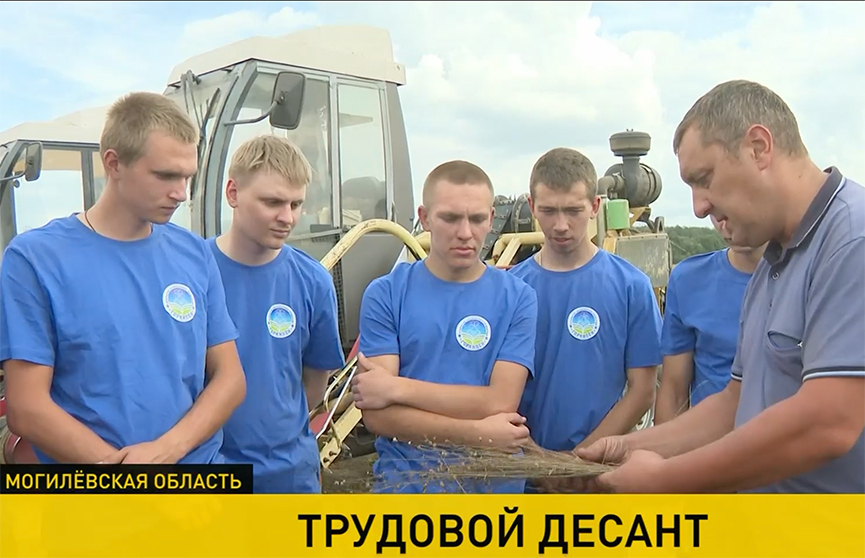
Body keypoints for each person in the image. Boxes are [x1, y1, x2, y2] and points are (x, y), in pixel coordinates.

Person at [577, 79, 865, 494]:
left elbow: (830, 422)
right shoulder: (773, 265)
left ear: (759, 148)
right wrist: (628, 447)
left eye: (704, 178)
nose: (699, 208)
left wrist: (664, 480)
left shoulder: (851, 241)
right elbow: (736, 403)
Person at [0, 91, 246, 464]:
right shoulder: (34, 260)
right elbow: (27, 407)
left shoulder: (195, 254)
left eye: (187, 177)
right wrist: (129, 476)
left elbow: (230, 378)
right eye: (165, 175)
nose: (181, 193)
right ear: (113, 163)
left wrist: (168, 450)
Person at [349, 160, 539, 494]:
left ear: (491, 219)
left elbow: (500, 402)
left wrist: (397, 388)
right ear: (424, 218)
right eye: (450, 218)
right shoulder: (386, 293)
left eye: (476, 219)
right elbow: (379, 417)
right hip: (407, 491)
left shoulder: (518, 297)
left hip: (492, 493)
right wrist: (478, 434)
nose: (465, 233)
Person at [508, 147, 663, 493]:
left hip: (597, 477)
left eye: (574, 211)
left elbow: (642, 391)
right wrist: (534, 459)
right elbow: (494, 391)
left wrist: (579, 461)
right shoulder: (510, 290)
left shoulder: (631, 286)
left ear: (594, 206)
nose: (561, 225)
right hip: (520, 475)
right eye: (548, 211)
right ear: (532, 206)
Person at [207, 135, 345, 493]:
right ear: (233, 193)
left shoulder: (313, 281)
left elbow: (314, 383)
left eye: (296, 204)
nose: (287, 217)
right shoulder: (192, 272)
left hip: (288, 477)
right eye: (272, 202)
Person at [653, 215, 765, 424]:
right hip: (710, 439)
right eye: (716, 211)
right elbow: (674, 391)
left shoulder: (811, 275)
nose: (725, 222)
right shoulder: (688, 280)